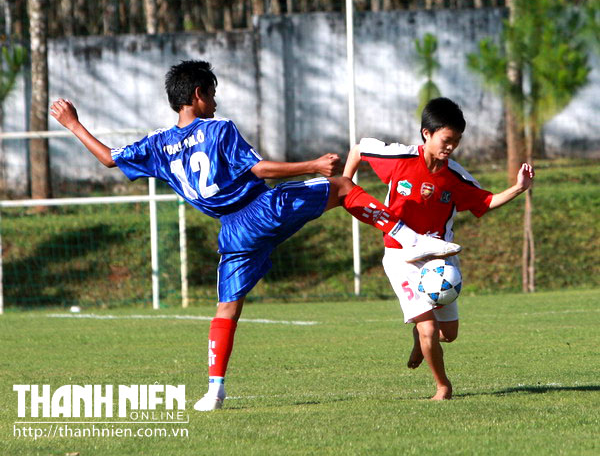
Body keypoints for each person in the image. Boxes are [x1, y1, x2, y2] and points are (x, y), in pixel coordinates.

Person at [50, 60, 461, 411]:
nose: (216, 102)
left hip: (232, 232)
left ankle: (214, 389)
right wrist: (312, 164)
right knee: (339, 186)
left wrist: (73, 123)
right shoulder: (218, 128)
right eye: (212, 94)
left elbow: (107, 158)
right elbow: (258, 170)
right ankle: (410, 238)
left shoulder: (157, 145)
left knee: (227, 309)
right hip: (261, 209)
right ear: (197, 94)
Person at [343, 97, 534, 400]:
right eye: (446, 139)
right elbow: (359, 149)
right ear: (426, 134)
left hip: (438, 259)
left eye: (456, 141)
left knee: (448, 335)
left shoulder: (454, 176)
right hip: (401, 256)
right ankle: (443, 386)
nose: (451, 147)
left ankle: (420, 337)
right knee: (429, 329)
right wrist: (346, 184)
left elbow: (485, 201)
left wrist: (518, 188)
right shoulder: (400, 158)